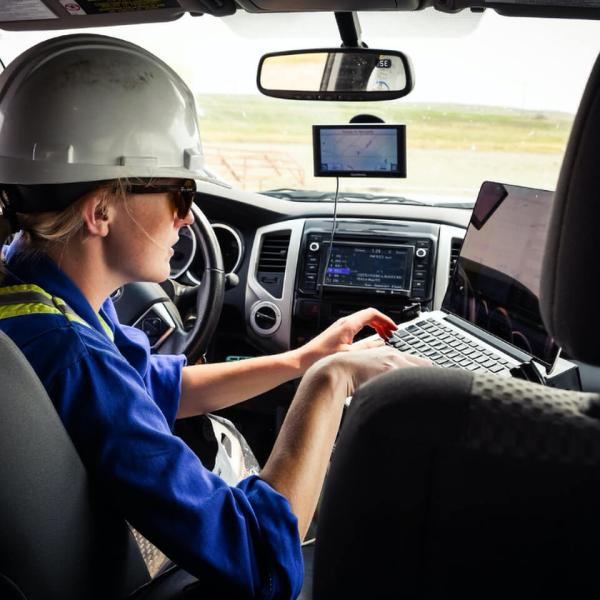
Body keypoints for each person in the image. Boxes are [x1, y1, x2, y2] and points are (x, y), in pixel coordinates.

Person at [0, 34, 428, 599]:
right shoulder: (69, 353)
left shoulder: (32, 286)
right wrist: (330, 383)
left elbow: (155, 386)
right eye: (180, 192)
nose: (187, 217)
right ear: (100, 210)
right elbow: (259, 559)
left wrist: (303, 358)